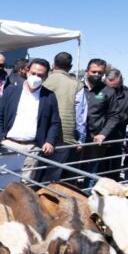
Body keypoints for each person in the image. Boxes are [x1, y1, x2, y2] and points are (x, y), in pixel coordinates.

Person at [0, 58, 61, 180]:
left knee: (25, 186)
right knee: (3, 183)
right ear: (27, 71)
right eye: (33, 73)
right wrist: (0, 137)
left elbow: (54, 122)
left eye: (40, 75)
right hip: (8, 145)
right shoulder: (11, 91)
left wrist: (50, 141)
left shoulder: (49, 96)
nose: (36, 77)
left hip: (32, 149)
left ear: (45, 77)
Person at [42, 52, 86, 181]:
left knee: (37, 173)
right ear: (70, 67)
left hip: (42, 134)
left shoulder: (43, 80)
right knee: (57, 177)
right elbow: (80, 115)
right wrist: (81, 139)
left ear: (53, 64)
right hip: (65, 136)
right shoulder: (76, 85)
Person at [81, 58, 120, 184]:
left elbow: (114, 116)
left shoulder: (108, 91)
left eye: (100, 73)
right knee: (71, 169)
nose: (97, 75)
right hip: (75, 137)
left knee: (91, 171)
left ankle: (87, 196)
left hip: (95, 139)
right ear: (87, 71)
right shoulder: (77, 87)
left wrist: (103, 133)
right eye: (94, 72)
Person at [101, 68, 128, 180]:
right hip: (97, 137)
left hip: (115, 139)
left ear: (120, 82)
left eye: (114, 88)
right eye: (108, 87)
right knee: (96, 168)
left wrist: (117, 116)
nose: (111, 91)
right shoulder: (99, 92)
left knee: (113, 171)